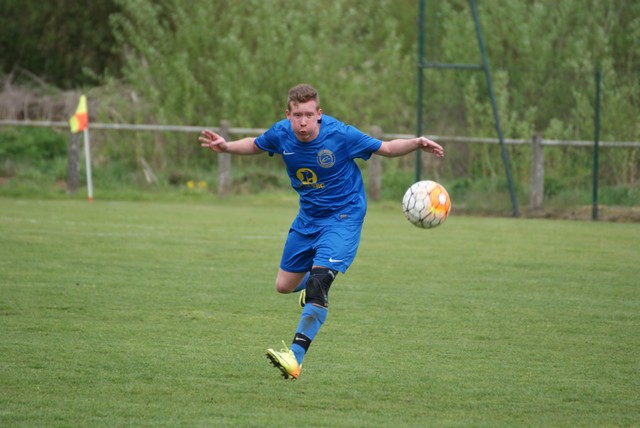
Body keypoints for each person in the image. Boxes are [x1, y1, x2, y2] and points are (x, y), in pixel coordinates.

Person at [200, 84, 444, 380]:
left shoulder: (341, 135)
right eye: (297, 115)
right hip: (308, 218)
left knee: (319, 283)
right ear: (288, 115)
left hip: (344, 217)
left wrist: (417, 142)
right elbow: (256, 144)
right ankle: (314, 287)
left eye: (308, 115)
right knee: (284, 286)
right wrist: (226, 146)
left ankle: (295, 358)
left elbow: (387, 149)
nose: (303, 122)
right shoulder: (282, 133)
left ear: (319, 114)